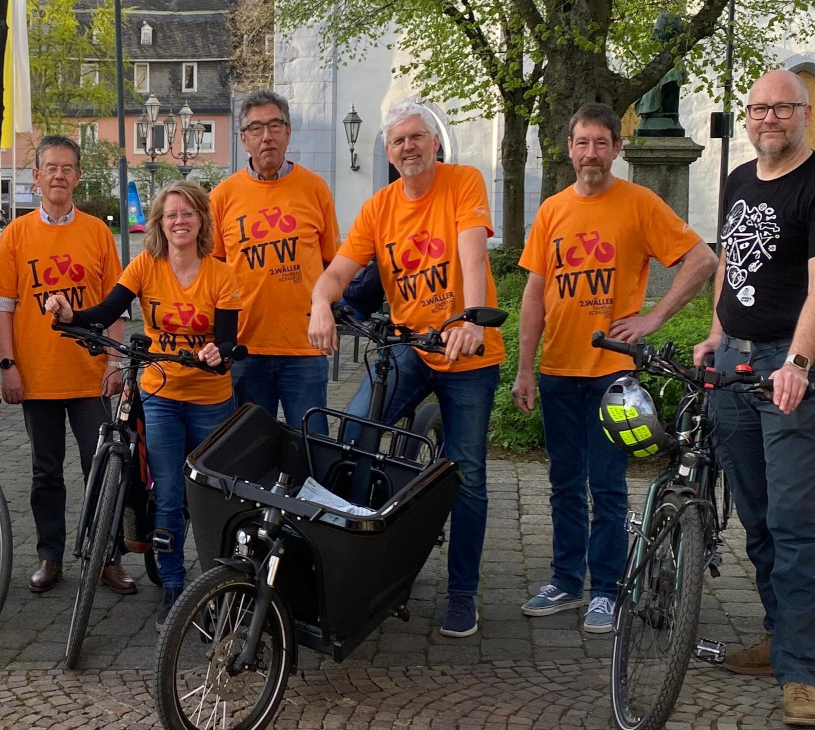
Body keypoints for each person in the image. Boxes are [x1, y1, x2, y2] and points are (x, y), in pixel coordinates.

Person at [512, 103, 716, 634]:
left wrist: (653, 318)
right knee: (562, 484)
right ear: (570, 147)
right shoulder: (553, 209)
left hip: (613, 373)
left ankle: (605, 590)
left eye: (602, 143)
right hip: (558, 368)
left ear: (617, 149)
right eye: (582, 142)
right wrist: (525, 369)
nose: (591, 153)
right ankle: (564, 581)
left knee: (606, 486)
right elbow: (534, 294)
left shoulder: (639, 203)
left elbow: (702, 260)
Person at [308, 97, 504, 639]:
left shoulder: (463, 183)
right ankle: (360, 557)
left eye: (417, 137)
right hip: (411, 344)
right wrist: (322, 304)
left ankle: (463, 593)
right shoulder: (379, 207)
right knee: (352, 432)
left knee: (466, 474)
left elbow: (471, 255)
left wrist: (469, 319)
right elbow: (339, 273)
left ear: (435, 143)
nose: (408, 147)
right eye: (398, 141)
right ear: (389, 154)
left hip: (467, 350)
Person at [45, 181, 241, 627]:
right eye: (171, 214)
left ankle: (218, 581)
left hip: (211, 399)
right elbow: (107, 309)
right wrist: (71, 315)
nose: (179, 221)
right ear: (159, 224)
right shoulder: (145, 266)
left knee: (211, 497)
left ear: (201, 222)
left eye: (188, 213)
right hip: (162, 394)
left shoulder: (222, 275)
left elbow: (228, 341)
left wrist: (218, 353)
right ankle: (173, 586)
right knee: (169, 494)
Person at [692, 69, 815, 726]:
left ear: (803, 113)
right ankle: (779, 639)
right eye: (758, 108)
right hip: (734, 364)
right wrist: (715, 335)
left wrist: (797, 361)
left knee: (797, 526)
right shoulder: (738, 179)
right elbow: (728, 267)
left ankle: (804, 674)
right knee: (760, 521)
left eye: (781, 108)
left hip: (786, 370)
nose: (769, 118)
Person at [0, 135, 136, 596]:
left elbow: (118, 306)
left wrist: (114, 361)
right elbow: (2, 306)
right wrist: (8, 365)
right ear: (36, 177)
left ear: (77, 176)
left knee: (102, 470)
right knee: (45, 472)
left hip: (91, 376)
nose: (58, 175)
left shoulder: (96, 233)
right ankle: (50, 556)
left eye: (67, 168)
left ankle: (106, 558)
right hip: (38, 377)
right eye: (50, 167)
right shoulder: (15, 235)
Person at [210, 90, 339, 434]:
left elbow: (333, 265)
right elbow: (211, 273)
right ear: (244, 139)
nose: (266, 136)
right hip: (245, 349)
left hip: (304, 347)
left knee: (312, 446)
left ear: (288, 132)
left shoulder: (315, 189)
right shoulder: (222, 196)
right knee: (249, 449)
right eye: (256, 128)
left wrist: (329, 312)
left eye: (274, 125)